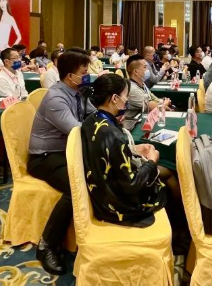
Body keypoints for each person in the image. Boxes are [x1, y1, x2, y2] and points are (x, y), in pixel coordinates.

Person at [28, 49, 96, 275]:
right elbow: (77, 131)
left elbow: (94, 115)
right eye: (84, 72)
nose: (88, 75)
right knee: (75, 186)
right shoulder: (56, 98)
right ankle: (46, 244)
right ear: (70, 76)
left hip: (66, 151)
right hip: (45, 157)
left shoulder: (77, 92)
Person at [81, 74, 166, 225]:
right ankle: (181, 231)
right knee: (168, 177)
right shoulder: (113, 134)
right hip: (117, 204)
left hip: (101, 190)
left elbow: (107, 153)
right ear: (115, 98)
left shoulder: (90, 120)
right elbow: (131, 184)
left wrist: (133, 149)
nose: (127, 100)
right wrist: (152, 162)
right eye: (126, 95)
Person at [122, 55, 171, 130]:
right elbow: (152, 107)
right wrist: (164, 104)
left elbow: (152, 97)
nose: (147, 70)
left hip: (143, 119)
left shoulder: (141, 83)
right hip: (133, 125)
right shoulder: (132, 88)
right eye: (145, 67)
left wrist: (162, 101)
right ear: (136, 71)